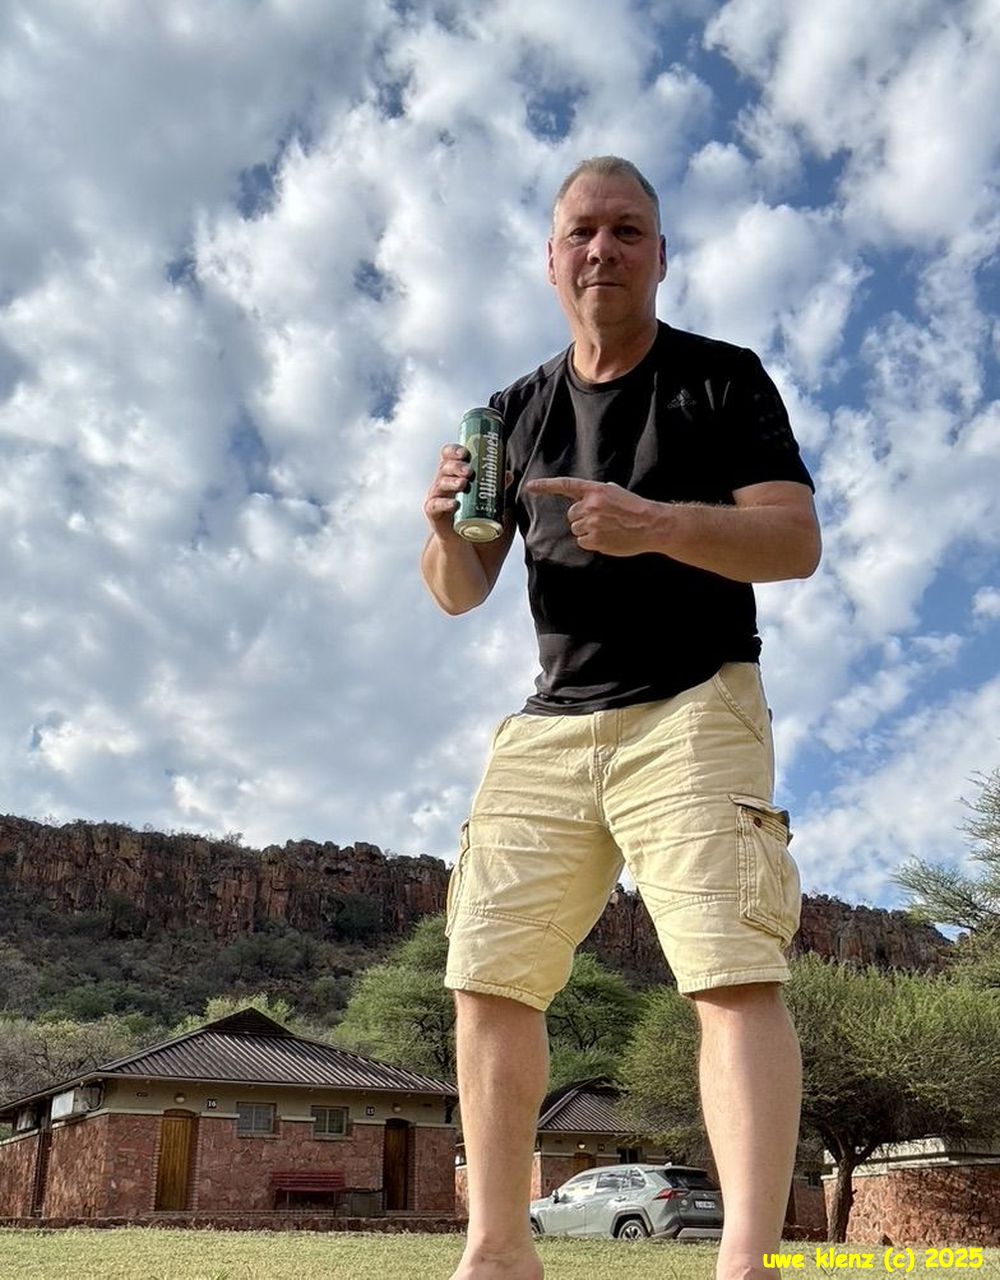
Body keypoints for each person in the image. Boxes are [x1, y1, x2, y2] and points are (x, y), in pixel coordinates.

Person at [421, 155, 821, 1280]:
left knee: (729, 969)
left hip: (695, 703)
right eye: (583, 231)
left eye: (628, 230)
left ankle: (746, 1264)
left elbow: (793, 541)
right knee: (486, 972)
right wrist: (444, 528)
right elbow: (458, 591)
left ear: (660, 255)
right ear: (551, 258)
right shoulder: (513, 412)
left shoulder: (722, 380)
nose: (603, 249)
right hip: (551, 721)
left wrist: (658, 525)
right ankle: (498, 1253)